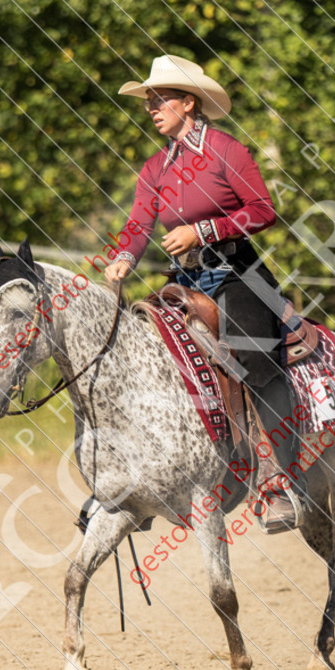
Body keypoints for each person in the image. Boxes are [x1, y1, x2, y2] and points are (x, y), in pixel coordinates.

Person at [105, 54, 305, 532]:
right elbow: (138, 224)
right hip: (185, 281)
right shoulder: (155, 167)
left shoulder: (226, 151)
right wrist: (123, 258)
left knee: (253, 359)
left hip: (239, 272)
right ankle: (143, 482)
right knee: (142, 354)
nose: (152, 107)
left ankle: (277, 482)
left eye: (161, 99)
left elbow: (262, 210)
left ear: (188, 103)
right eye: (149, 101)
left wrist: (203, 232)